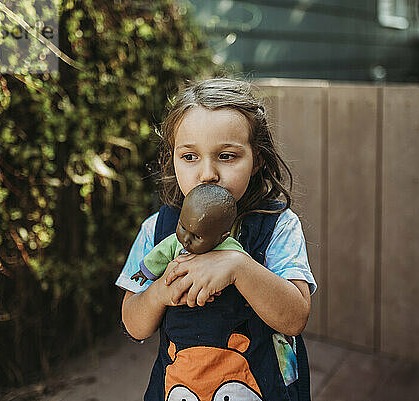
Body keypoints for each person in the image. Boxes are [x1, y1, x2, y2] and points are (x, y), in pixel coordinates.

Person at [116, 78, 317, 401]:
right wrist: (158, 293)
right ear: (173, 159)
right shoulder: (157, 229)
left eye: (226, 156)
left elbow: (295, 318)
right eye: (190, 157)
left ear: (258, 160)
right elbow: (134, 324)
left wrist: (238, 266)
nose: (207, 173)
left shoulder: (277, 226)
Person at [130, 183, 246, 286]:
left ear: (222, 238)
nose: (186, 239)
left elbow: (242, 266)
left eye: (197, 237)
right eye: (183, 227)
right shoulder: (173, 242)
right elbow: (160, 254)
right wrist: (145, 272)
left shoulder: (230, 249)